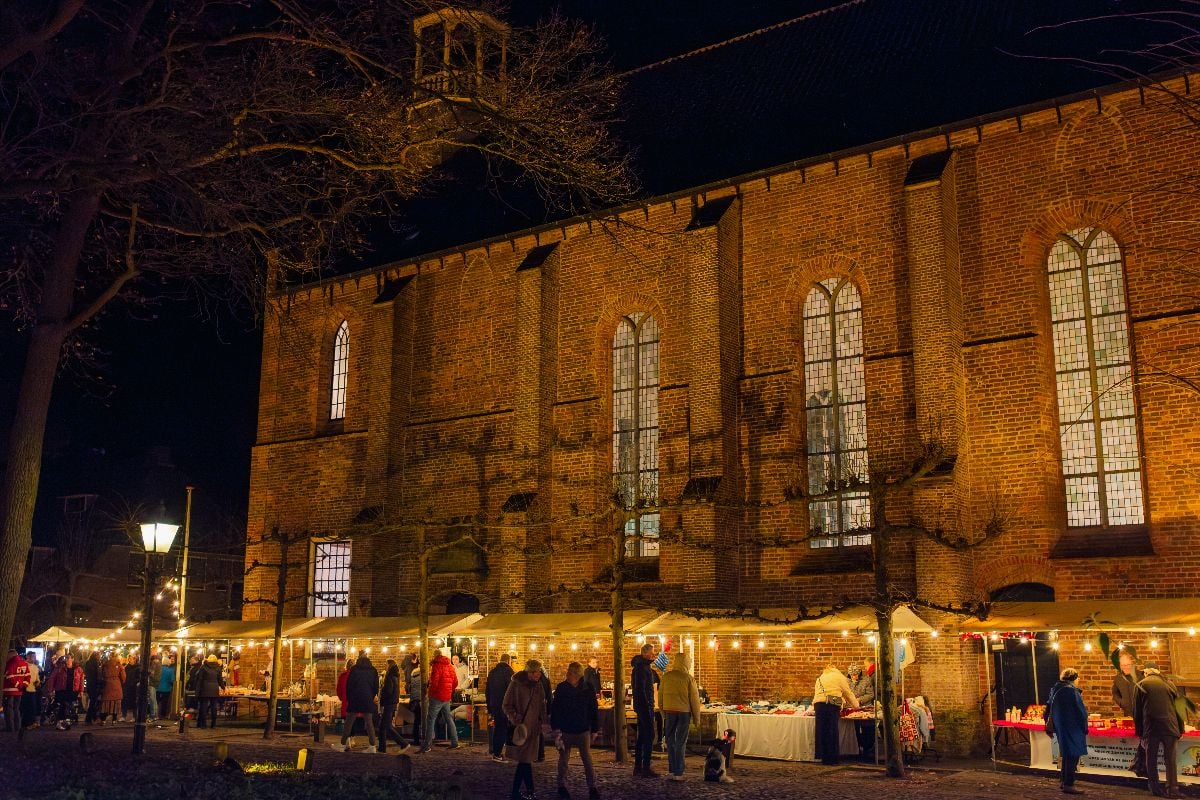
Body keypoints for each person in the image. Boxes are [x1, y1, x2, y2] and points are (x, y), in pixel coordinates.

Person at [551, 661, 601, 800]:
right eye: (568, 671)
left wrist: (594, 729)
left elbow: (593, 709)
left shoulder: (587, 688)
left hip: (582, 729)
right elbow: (556, 710)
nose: (567, 673)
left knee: (587, 759)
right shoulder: (562, 688)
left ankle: (592, 787)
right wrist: (556, 729)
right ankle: (561, 785)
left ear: (577, 675)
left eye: (570, 672)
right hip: (566, 729)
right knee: (563, 759)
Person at [1135, 661, 1183, 799]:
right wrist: (1180, 729)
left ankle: (1155, 788)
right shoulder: (1170, 684)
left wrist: (1140, 732)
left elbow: (1137, 711)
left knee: (1151, 759)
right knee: (1170, 760)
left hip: (1151, 728)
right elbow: (1179, 709)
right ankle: (1173, 789)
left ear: (1146, 671)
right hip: (1170, 727)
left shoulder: (1141, 684)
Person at [504, 659, 549, 800]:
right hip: (521, 729)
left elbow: (542, 706)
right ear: (529, 672)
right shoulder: (516, 684)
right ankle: (524, 792)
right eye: (536, 672)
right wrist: (514, 717)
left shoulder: (539, 686)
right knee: (525, 761)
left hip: (533, 730)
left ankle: (521, 792)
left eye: (539, 672)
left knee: (525, 761)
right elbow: (506, 704)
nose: (539, 675)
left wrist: (543, 721)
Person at [659, 651, 702, 782]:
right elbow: (694, 700)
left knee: (670, 741)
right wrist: (696, 718)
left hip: (669, 711)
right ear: (686, 662)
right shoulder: (688, 678)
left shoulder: (666, 676)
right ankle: (679, 772)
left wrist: (662, 711)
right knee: (681, 742)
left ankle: (672, 770)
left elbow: (660, 696)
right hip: (684, 712)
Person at [1047, 667, 1088, 795]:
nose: (1079, 680)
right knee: (1073, 755)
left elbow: (1047, 708)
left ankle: (1063, 781)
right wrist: (1085, 727)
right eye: (1078, 678)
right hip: (1072, 727)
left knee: (1066, 754)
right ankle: (1069, 784)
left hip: (1061, 727)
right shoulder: (1071, 691)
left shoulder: (1055, 689)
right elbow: (1081, 712)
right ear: (1073, 678)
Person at [812, 663, 859, 765]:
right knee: (832, 731)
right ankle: (832, 758)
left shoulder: (820, 678)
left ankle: (823, 757)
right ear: (835, 669)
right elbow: (847, 692)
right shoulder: (839, 677)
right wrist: (856, 705)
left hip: (819, 705)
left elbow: (816, 693)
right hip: (831, 705)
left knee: (821, 731)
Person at [332, 653, 379, 753]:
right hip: (367, 698)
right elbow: (376, 686)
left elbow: (349, 685)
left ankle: (342, 744)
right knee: (369, 723)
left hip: (355, 698)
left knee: (348, 722)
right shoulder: (373, 670)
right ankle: (372, 746)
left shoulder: (354, 670)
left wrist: (349, 698)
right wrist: (371, 696)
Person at [422, 647, 462, 751]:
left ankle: (427, 746)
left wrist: (429, 693)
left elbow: (434, 683)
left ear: (435, 656)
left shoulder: (436, 666)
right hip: (446, 697)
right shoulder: (450, 666)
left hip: (437, 697)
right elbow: (455, 682)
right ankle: (455, 742)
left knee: (430, 720)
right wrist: (449, 691)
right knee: (449, 719)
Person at [631, 642, 660, 777]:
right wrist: (648, 705)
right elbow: (641, 689)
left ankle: (638, 767)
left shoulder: (642, 666)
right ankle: (645, 767)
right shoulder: (642, 668)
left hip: (643, 705)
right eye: (652, 652)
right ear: (646, 653)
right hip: (644, 706)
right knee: (648, 735)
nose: (654, 654)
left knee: (643, 735)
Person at [377, 658, 411, 753]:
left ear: (389, 665)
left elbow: (388, 690)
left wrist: (382, 697)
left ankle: (403, 743)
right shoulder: (395, 675)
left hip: (388, 703)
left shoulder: (389, 676)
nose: (385, 666)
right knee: (383, 726)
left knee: (386, 726)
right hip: (392, 703)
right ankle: (382, 748)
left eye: (386, 664)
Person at [486, 653, 515, 763]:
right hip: (505, 706)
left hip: (494, 705)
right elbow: (512, 690)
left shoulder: (492, 672)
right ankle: (497, 753)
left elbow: (487, 691)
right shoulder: (509, 672)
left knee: (498, 727)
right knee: (502, 729)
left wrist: (489, 706)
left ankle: (496, 751)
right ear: (509, 661)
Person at [48, 654, 85, 729]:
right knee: (63, 705)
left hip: (72, 690)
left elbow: (81, 680)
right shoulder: (60, 668)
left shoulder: (78, 669)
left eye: (68, 658)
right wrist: (50, 690)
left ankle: (66, 722)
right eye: (66, 658)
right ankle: (61, 722)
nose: (67, 660)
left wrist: (81, 690)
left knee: (69, 706)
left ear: (72, 659)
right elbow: (52, 678)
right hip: (62, 690)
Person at [195, 654, 225, 729]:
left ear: (208, 659)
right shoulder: (218, 668)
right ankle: (213, 724)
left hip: (204, 689)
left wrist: (197, 691)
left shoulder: (203, 667)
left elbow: (200, 680)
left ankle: (203, 724)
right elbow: (220, 680)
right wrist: (223, 687)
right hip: (214, 689)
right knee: (214, 707)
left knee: (203, 707)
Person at [3, 649, 30, 732]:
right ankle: (17, 727)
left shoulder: (9, 664)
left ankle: (10, 728)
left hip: (9, 690)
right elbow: (28, 677)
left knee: (8, 709)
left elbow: (9, 676)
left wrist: (17, 685)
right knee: (16, 709)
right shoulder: (24, 664)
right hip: (19, 691)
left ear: (11, 655)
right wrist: (22, 686)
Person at [1112, 650, 1140, 717]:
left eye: (1128, 665)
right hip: (1127, 713)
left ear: (1132, 664)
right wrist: (1121, 703)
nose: (1126, 667)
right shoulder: (1118, 678)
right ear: (1120, 666)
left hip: (1142, 712)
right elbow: (1115, 693)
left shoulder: (1140, 676)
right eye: (1123, 665)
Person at [403, 654, 423, 746]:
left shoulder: (412, 673)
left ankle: (416, 739)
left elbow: (409, 687)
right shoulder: (422, 676)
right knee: (422, 719)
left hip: (414, 699)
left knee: (416, 720)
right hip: (420, 700)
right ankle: (422, 739)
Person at [100, 654, 125, 724]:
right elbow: (123, 677)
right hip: (116, 686)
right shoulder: (119, 665)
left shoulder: (105, 665)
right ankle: (114, 720)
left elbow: (101, 674)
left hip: (107, 685)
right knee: (115, 703)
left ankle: (103, 719)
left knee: (105, 703)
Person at [21, 653, 41, 730]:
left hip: (33, 690)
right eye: (33, 656)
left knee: (32, 708)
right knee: (24, 707)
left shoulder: (36, 667)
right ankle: (24, 723)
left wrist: (38, 682)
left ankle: (29, 724)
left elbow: (37, 678)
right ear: (28, 657)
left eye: (35, 657)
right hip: (24, 689)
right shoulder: (23, 665)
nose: (34, 658)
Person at [82, 651, 103, 725]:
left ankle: (93, 718)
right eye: (99, 655)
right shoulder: (95, 664)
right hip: (94, 685)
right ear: (96, 656)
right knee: (93, 703)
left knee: (92, 702)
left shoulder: (88, 663)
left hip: (90, 685)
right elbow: (98, 675)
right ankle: (89, 719)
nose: (100, 657)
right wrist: (100, 683)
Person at [156, 655, 176, 720]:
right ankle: (163, 715)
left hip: (158, 688)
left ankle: (156, 714)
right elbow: (172, 680)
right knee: (164, 703)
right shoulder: (171, 670)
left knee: (157, 701)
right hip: (167, 689)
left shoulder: (158, 669)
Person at [121, 653, 140, 722]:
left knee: (134, 702)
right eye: (129, 659)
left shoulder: (138, 668)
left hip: (134, 687)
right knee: (125, 701)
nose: (129, 660)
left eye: (131, 659)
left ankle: (134, 717)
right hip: (127, 686)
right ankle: (123, 716)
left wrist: (134, 682)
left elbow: (138, 678)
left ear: (135, 660)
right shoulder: (127, 667)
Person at [146, 654, 161, 722]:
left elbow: (152, 674)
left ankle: (153, 715)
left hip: (152, 683)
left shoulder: (154, 665)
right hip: (155, 683)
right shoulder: (158, 664)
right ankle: (155, 715)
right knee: (154, 700)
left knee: (152, 700)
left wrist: (148, 672)